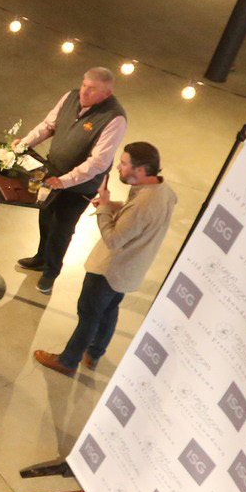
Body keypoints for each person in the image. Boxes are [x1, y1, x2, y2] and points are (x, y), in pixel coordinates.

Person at [35, 143, 178, 378]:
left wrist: (103, 209)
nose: (119, 168)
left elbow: (113, 239)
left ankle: (68, 361)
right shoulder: (163, 190)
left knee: (88, 313)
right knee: (109, 310)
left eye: (124, 163)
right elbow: (138, 218)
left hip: (111, 269)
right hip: (130, 271)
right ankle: (94, 354)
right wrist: (112, 206)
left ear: (140, 170)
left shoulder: (143, 204)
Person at [13, 67, 128, 296]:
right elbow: (48, 125)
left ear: (106, 93)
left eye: (92, 89)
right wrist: (24, 144)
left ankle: (51, 272)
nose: (84, 92)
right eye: (84, 84)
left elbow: (97, 162)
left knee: (62, 228)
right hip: (53, 172)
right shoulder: (71, 96)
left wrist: (64, 182)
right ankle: (41, 257)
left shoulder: (114, 118)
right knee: (45, 216)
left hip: (79, 186)